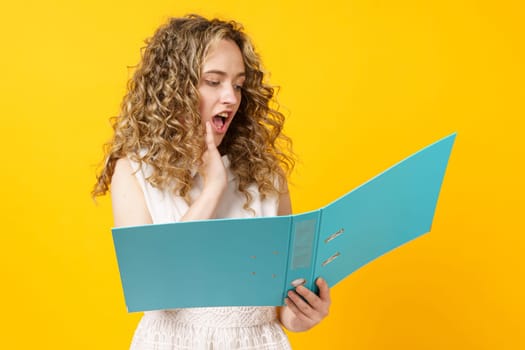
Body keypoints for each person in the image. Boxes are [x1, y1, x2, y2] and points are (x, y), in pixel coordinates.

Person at [93, 14, 331, 349]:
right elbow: (152, 291)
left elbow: (281, 304)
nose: (231, 98)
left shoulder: (265, 172)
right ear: (173, 89)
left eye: (237, 84)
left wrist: (302, 314)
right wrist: (213, 189)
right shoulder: (133, 171)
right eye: (214, 81)